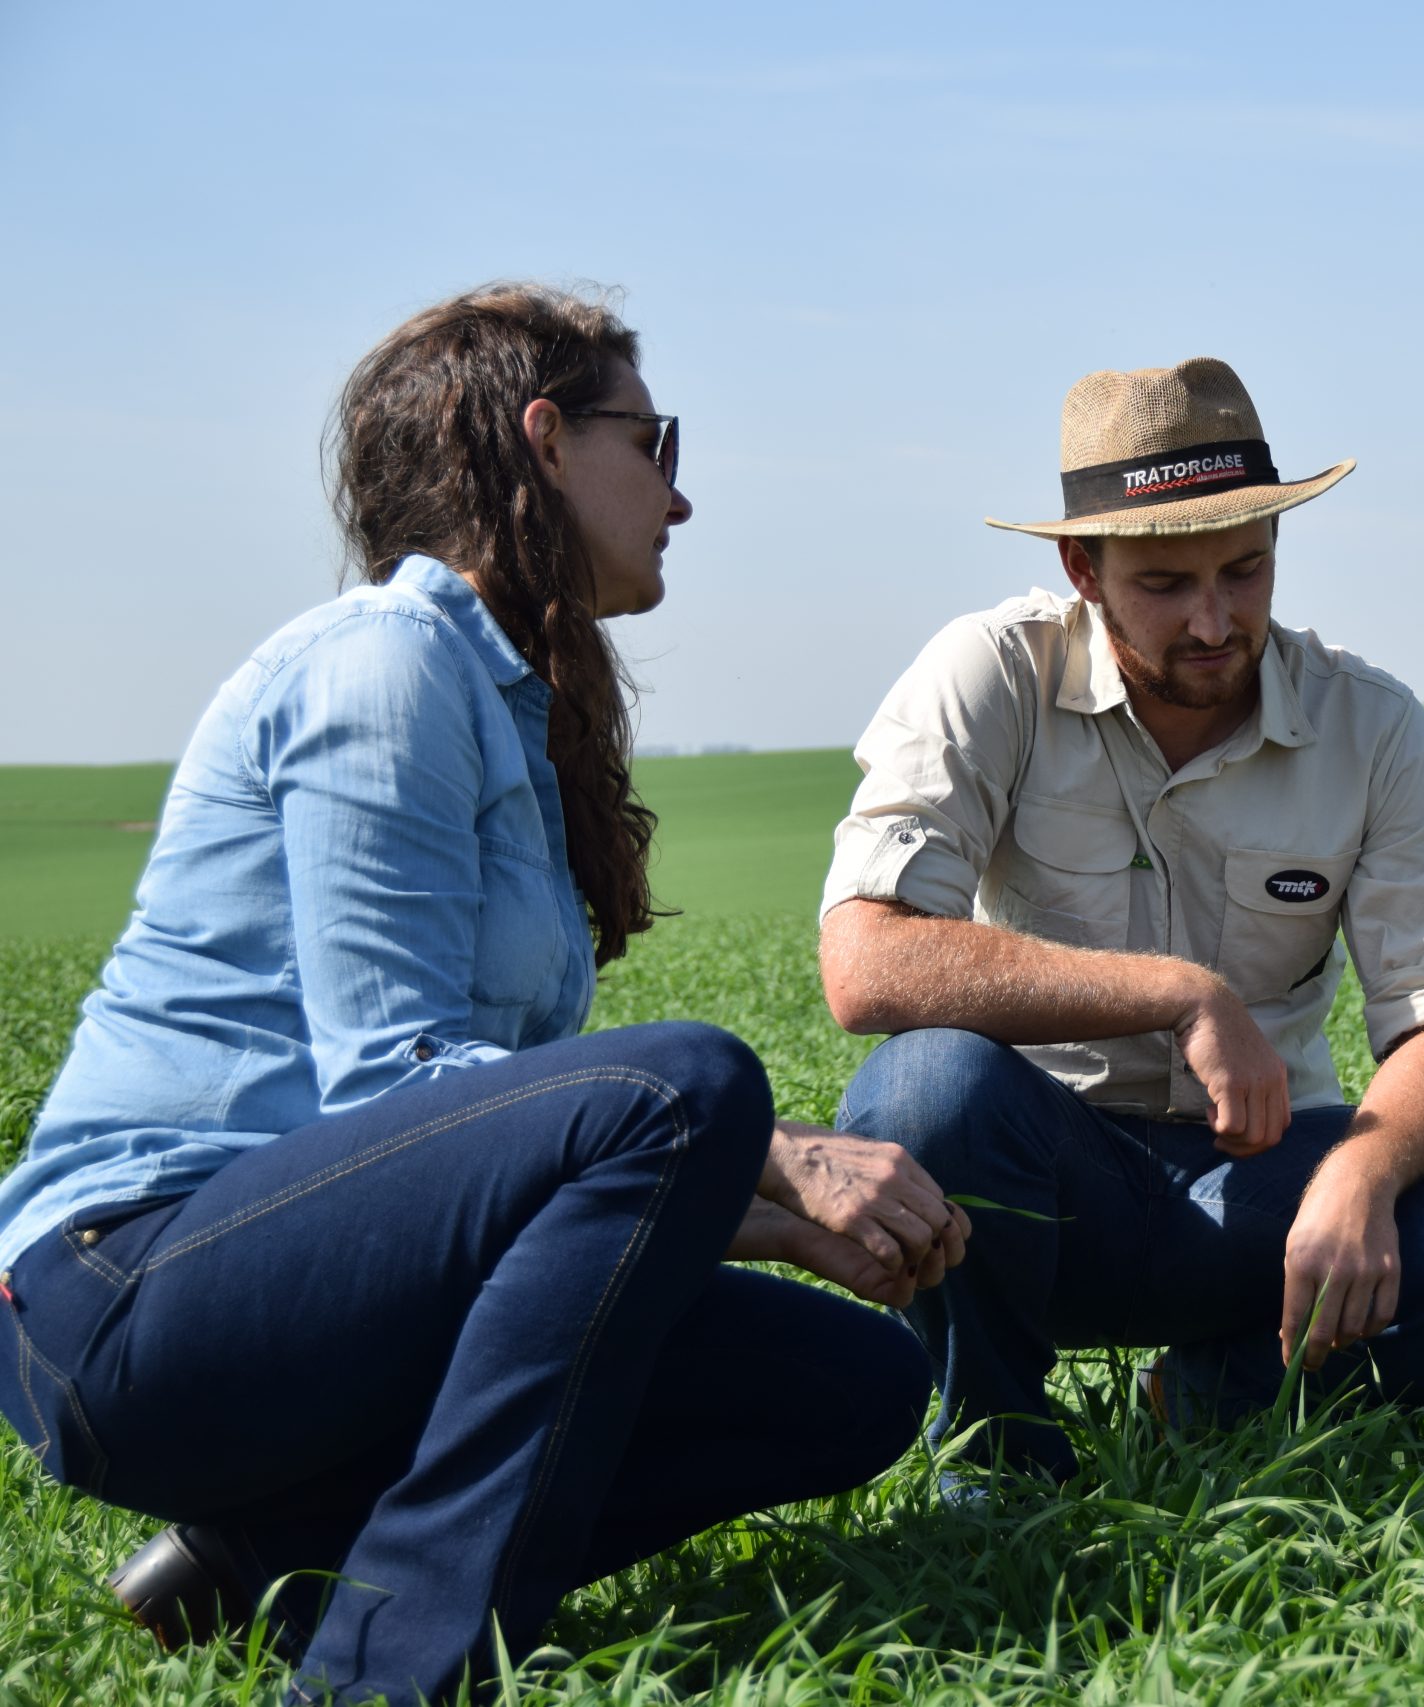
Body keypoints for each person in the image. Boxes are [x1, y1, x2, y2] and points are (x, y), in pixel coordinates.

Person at [0, 285, 967, 1702]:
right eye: (655, 440)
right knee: (685, 1079)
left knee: (854, 1382)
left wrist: (765, 1225)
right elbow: (396, 1084)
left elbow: (498, 1182)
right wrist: (789, 1154)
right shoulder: (385, 663)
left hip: (322, 1298)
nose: (680, 497)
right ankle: (383, 1671)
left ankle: (275, 1555)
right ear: (546, 440)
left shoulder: (503, 700)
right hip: (127, 1293)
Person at [817, 357, 1424, 1483]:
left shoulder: (1372, 726)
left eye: (1245, 571)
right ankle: (997, 1455)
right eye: (1165, 584)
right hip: (1041, 1178)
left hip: (1271, 1180)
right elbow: (864, 964)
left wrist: (1359, 1174)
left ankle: (1215, 1395)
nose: (1215, 621)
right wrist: (1177, 992)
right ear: (1083, 567)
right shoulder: (989, 675)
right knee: (924, 1093)